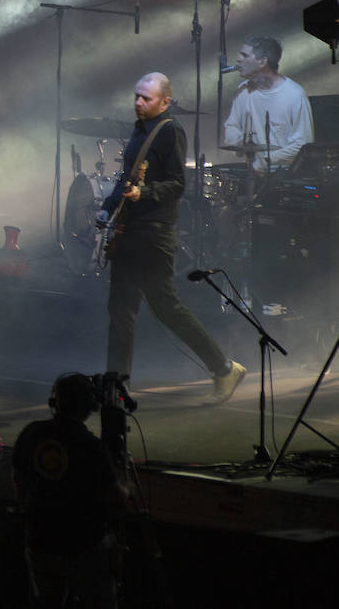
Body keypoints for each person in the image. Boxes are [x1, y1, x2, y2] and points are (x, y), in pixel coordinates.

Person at [99, 73, 246, 403]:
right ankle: (115, 388)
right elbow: (126, 177)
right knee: (120, 311)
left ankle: (224, 368)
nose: (138, 103)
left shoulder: (170, 131)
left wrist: (144, 192)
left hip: (154, 235)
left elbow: (178, 185)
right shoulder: (138, 130)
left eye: (146, 98)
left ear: (165, 102)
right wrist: (108, 209)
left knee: (166, 308)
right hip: (130, 233)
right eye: (136, 96)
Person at [12, 373, 124, 609]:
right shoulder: (92, 447)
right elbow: (114, 496)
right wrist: (128, 488)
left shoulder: (31, 432)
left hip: (39, 542)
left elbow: (19, 479)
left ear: (55, 402)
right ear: (90, 405)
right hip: (83, 547)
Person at [222, 35, 314, 174]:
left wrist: (266, 160)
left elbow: (302, 144)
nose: (238, 59)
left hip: (283, 177)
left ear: (262, 61)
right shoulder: (243, 91)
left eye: (244, 55)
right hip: (252, 174)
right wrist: (241, 145)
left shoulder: (294, 95)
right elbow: (231, 126)